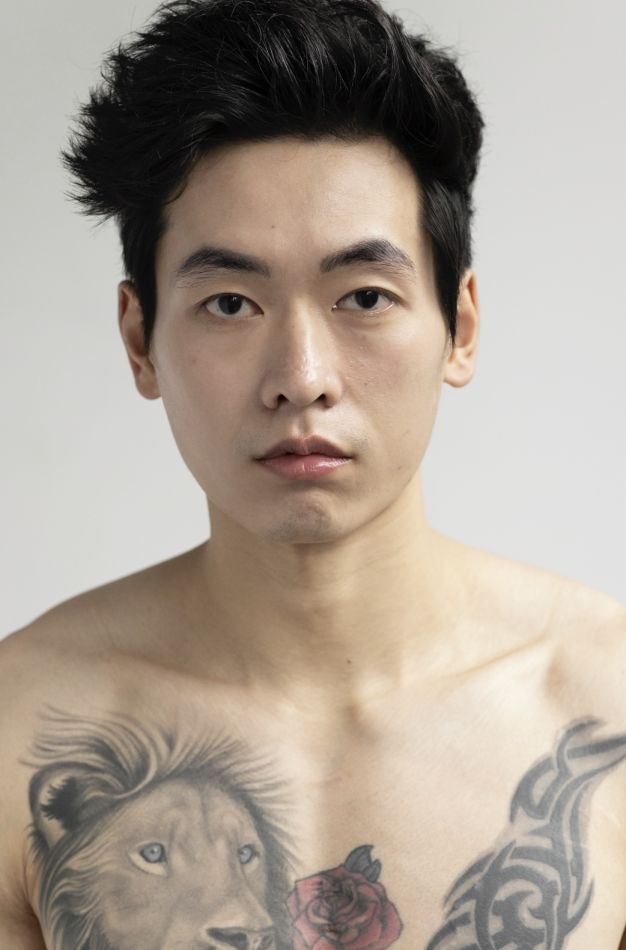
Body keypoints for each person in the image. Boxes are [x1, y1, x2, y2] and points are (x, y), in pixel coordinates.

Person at [1, 0, 625, 946]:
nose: (301, 377)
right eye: (230, 302)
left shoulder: (602, 708)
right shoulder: (21, 728)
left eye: (364, 296)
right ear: (139, 340)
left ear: (460, 326)